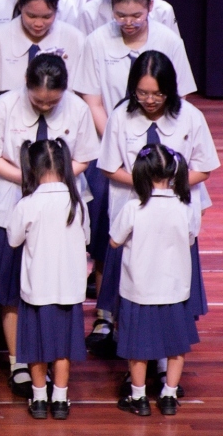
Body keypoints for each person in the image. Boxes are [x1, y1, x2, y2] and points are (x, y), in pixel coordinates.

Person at [74, 0, 197, 341]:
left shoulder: (168, 41)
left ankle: (171, 312)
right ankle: (106, 314)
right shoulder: (97, 41)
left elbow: (180, 100)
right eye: (120, 15)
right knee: (108, 235)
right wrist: (116, 137)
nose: (128, 22)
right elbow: (92, 100)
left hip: (164, 158)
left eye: (136, 15)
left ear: (150, 8)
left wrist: (161, 165)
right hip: (113, 146)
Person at [0, 54, 98, 397]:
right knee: (11, 292)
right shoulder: (5, 105)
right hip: (10, 204)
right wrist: (27, 179)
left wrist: (53, 182)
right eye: (38, 100)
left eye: (52, 101)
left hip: (61, 206)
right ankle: (19, 362)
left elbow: (84, 157)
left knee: (54, 292)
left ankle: (53, 360)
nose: (45, 106)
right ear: (26, 85)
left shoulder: (77, 108)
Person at [96, 52, 217, 374]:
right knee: (131, 294)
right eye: (142, 93)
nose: (150, 100)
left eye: (158, 94)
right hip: (133, 216)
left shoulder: (189, 116)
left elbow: (204, 167)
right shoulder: (121, 116)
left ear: (171, 90)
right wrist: (146, 186)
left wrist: (169, 186)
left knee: (172, 289)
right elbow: (109, 166)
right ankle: (134, 370)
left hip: (175, 217)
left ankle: (165, 364)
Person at [111, 144, 200, 418]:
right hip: (175, 289)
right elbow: (190, 239)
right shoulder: (185, 207)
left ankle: (139, 397)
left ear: (141, 173)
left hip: (139, 290)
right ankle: (169, 396)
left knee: (137, 347)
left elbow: (114, 241)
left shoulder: (133, 207)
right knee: (176, 346)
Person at [6, 139, 89, 420]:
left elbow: (13, 239)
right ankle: (61, 400)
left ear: (31, 167)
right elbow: (86, 238)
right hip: (69, 289)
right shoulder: (77, 203)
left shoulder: (28, 204)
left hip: (37, 289)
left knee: (36, 346)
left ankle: (40, 399)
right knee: (63, 348)